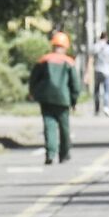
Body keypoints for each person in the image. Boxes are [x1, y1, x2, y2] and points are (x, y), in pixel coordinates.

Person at [29, 32, 79, 165]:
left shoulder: (43, 60)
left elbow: (34, 78)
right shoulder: (69, 62)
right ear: (65, 47)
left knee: (49, 126)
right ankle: (64, 154)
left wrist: (33, 92)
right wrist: (74, 100)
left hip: (45, 98)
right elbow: (75, 84)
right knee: (64, 128)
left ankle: (50, 153)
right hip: (63, 99)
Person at [91, 32, 109, 117]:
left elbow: (91, 58)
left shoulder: (95, 47)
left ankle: (97, 108)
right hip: (107, 71)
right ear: (106, 38)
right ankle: (106, 107)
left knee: (97, 91)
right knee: (106, 91)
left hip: (97, 70)